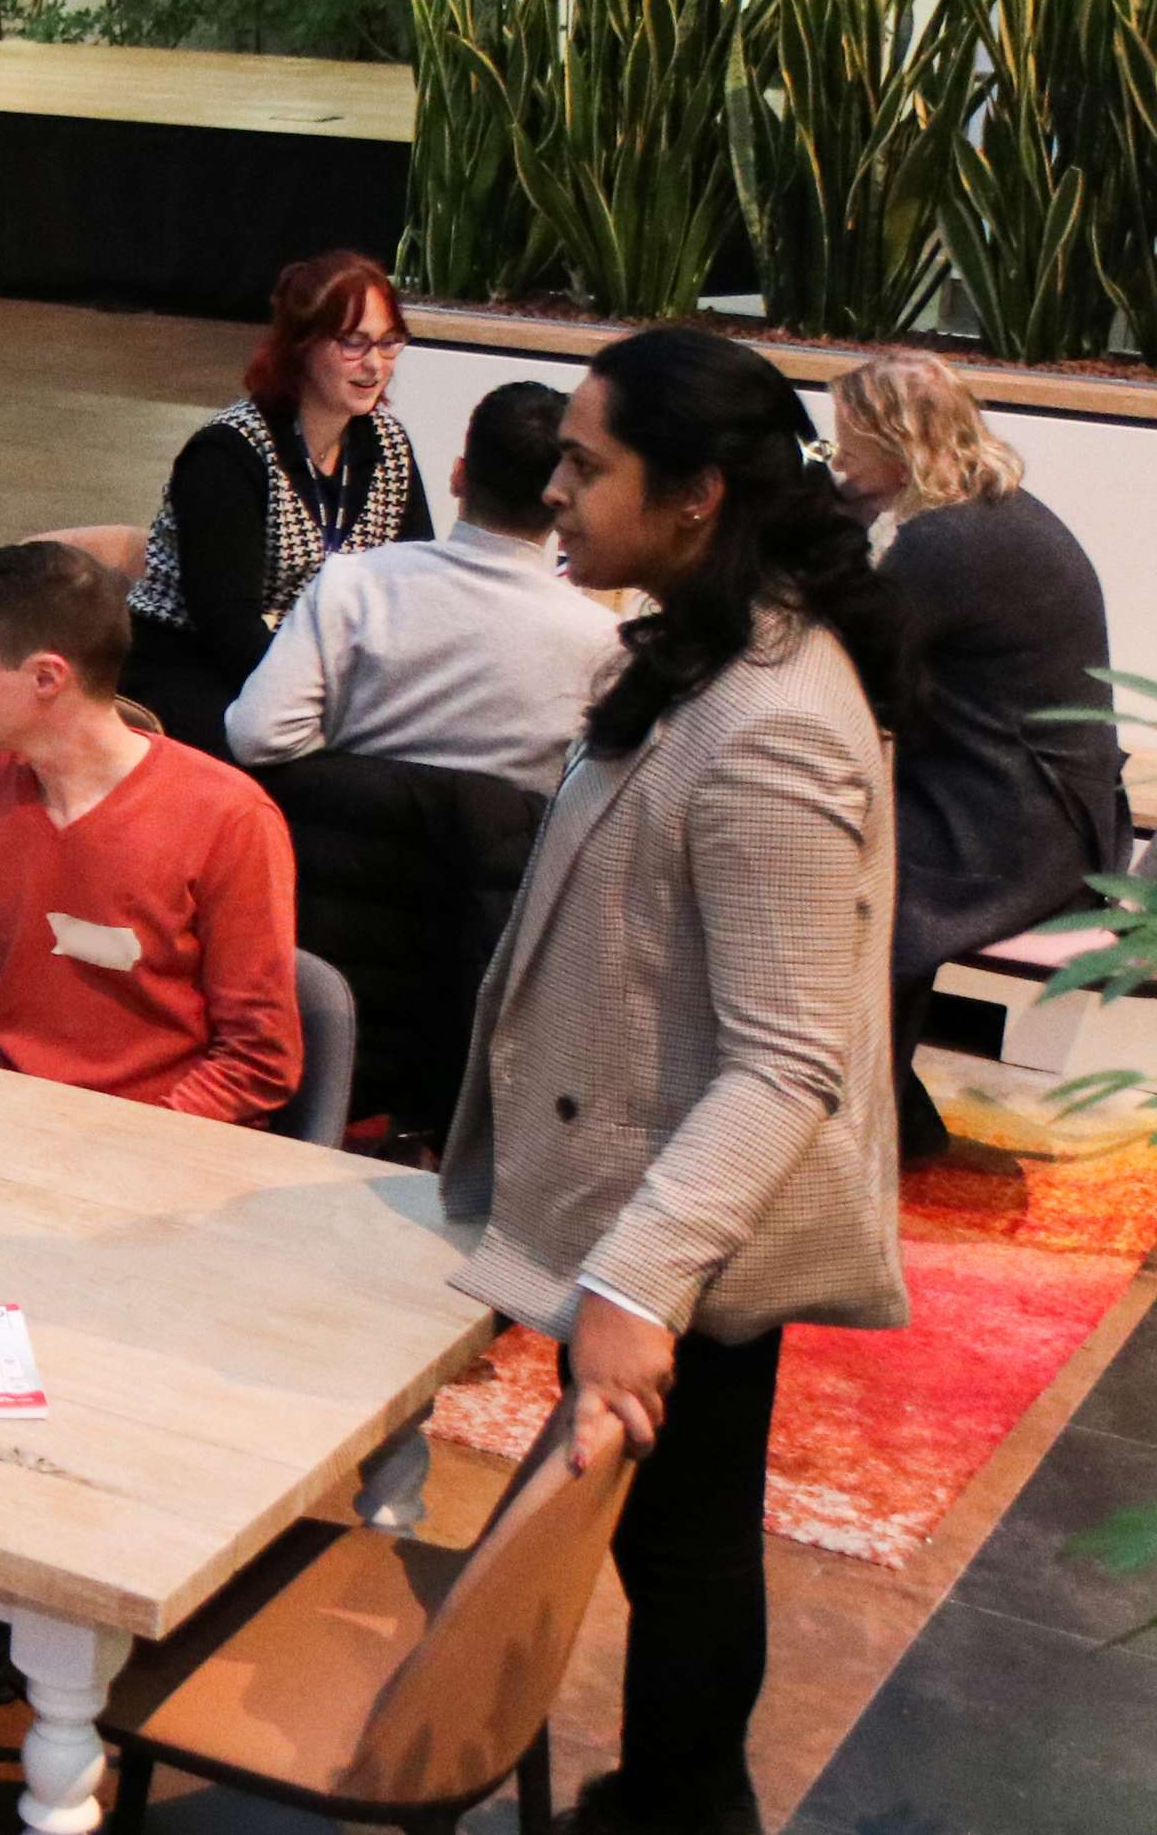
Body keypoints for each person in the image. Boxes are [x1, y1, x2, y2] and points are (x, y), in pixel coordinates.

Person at [444, 327, 906, 1835]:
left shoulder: (774, 721)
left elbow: (789, 1058)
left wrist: (639, 1284)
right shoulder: (709, 648)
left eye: (587, 464)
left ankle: (684, 1808)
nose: (555, 486)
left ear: (697, 494)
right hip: (642, 1184)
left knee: (688, 1546)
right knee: (679, 1538)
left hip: (685, 1218)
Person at [830, 350, 1129, 1161]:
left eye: (846, 442)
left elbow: (843, 663)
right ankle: (886, 1120)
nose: (838, 459)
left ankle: (858, 1134)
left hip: (1010, 829)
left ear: (891, 445)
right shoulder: (991, 508)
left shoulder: (947, 542)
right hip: (1043, 811)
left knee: (832, 885)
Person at [0, 540, 301, 1124]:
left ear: (46, 678)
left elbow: (259, 1059)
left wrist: (119, 1148)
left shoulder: (230, 821)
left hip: (152, 1147)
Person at [227, 380, 619, 797]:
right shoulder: (604, 644)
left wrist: (355, 772)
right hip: (504, 858)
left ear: (457, 477)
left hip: (343, 845)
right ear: (562, 499)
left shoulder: (352, 583)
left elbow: (257, 736)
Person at [125, 250, 433, 758]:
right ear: (302, 345)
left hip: (316, 673)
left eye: (388, 342)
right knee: (316, 769)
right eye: (353, 343)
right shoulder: (228, 453)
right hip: (194, 668)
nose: (375, 364)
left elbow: (415, 586)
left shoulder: (388, 444)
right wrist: (326, 703)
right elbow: (227, 627)